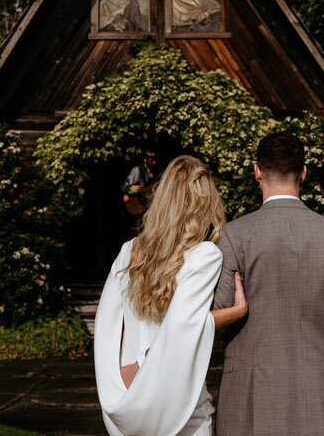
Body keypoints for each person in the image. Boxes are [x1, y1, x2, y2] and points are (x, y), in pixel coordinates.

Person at [212, 132, 324, 436]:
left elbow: (215, 321)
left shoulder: (233, 236)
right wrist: (323, 355)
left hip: (252, 400)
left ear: (257, 171)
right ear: (303, 172)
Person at [94, 155, 248, 436]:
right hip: (180, 409)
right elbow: (182, 326)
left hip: (128, 396)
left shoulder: (129, 251)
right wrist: (235, 312)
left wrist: (119, 377)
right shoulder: (204, 255)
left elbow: (106, 324)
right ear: (204, 203)